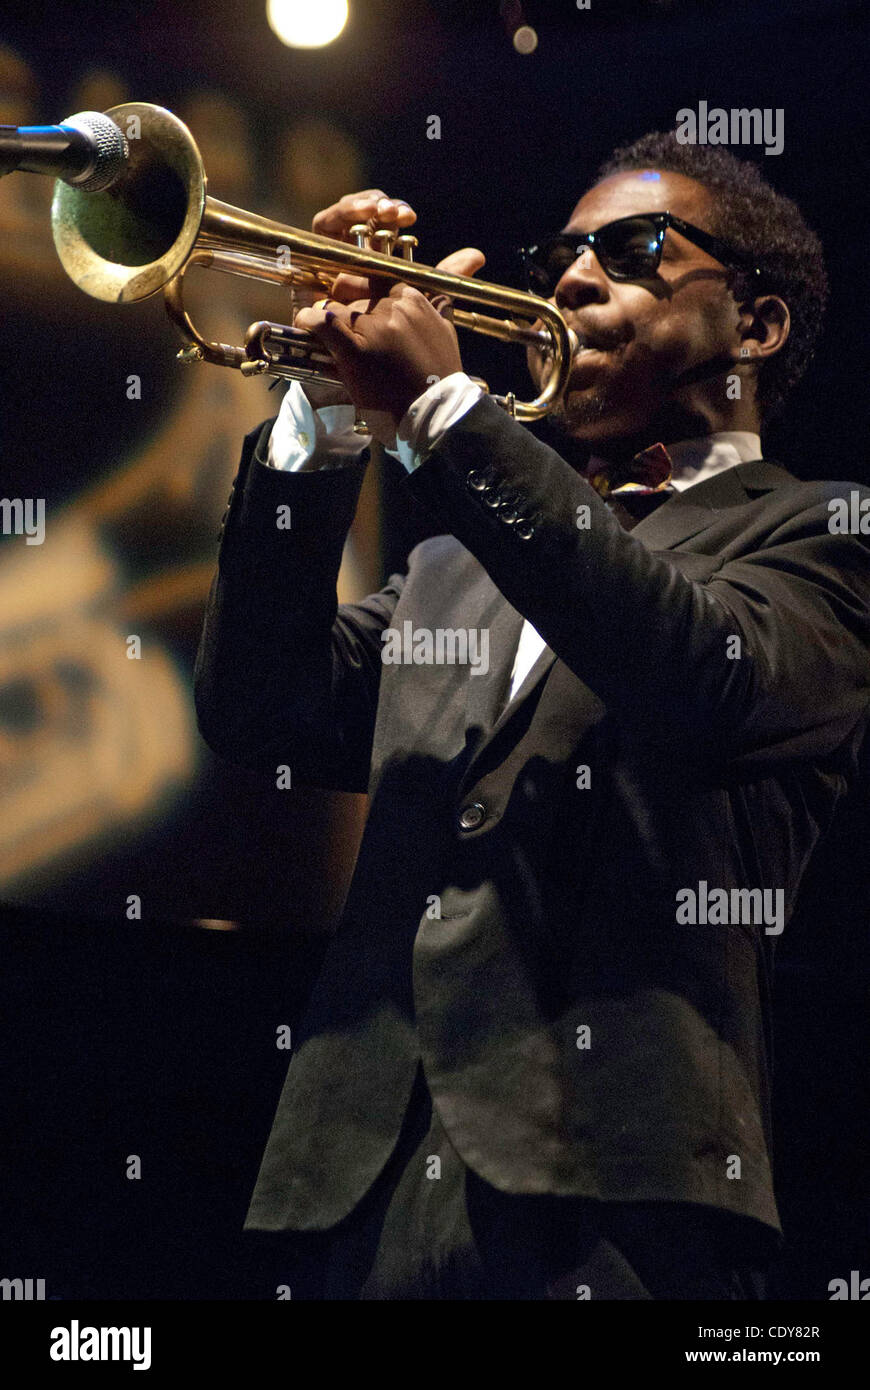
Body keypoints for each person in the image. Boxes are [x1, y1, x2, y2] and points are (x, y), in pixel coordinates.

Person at [194, 132, 870, 1299]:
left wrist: (452, 412)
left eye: (632, 248)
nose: (567, 279)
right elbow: (261, 706)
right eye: (560, 254)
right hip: (354, 1195)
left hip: (618, 1205)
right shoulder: (458, 570)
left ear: (754, 328)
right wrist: (325, 413)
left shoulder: (819, 535)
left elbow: (694, 670)